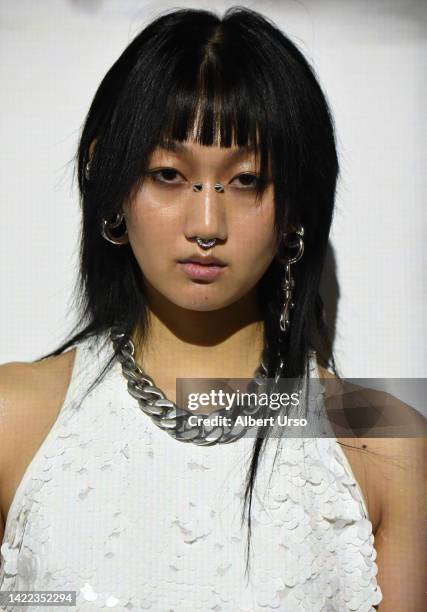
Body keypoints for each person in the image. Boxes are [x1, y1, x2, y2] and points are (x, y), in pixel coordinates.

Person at [0, 6, 425, 612]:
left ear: (297, 204)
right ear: (114, 183)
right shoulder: (12, 420)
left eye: (248, 180)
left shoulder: (387, 442)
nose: (206, 224)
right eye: (169, 174)